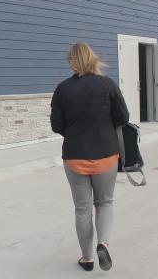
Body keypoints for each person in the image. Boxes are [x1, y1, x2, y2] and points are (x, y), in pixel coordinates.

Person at [50, 43, 129, 272]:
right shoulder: (107, 84)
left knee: (82, 209)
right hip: (105, 155)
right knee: (104, 202)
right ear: (93, 59)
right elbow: (123, 117)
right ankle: (102, 244)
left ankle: (86, 259)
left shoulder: (62, 89)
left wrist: (75, 133)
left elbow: (56, 125)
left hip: (75, 156)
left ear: (72, 62)